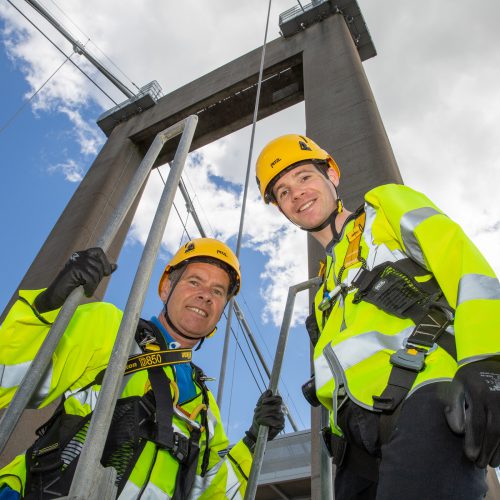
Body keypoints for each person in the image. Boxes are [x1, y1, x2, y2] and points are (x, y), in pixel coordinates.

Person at [255, 134, 500, 499]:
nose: (297, 194)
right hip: (356, 452)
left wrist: (487, 358)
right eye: (283, 192)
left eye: (304, 177)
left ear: (331, 175)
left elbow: (461, 261)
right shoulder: (323, 292)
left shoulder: (382, 209)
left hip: (426, 401)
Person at [0, 238, 285, 499]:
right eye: (194, 282)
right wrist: (44, 309)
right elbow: (9, 380)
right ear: (165, 288)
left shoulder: (206, 408)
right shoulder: (111, 330)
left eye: (218, 291)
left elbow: (213, 493)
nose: (205, 296)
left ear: (222, 308)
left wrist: (253, 440)